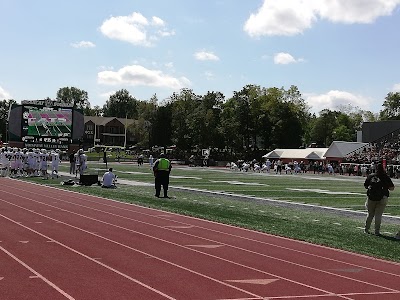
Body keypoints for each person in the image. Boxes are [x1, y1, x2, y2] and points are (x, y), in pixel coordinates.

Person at [363, 163, 394, 235]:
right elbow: (392, 188)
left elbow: (366, 185)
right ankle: (377, 231)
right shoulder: (385, 177)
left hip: (371, 197)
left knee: (370, 214)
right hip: (382, 197)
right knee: (378, 215)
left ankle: (366, 229)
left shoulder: (371, 176)